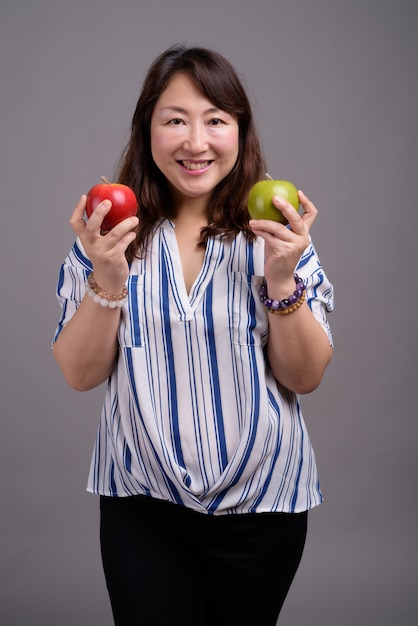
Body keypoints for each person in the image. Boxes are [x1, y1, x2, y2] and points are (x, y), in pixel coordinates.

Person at [52, 44, 334, 626]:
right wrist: (107, 278)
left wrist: (282, 278)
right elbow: (79, 375)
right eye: (175, 120)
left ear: (240, 132)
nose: (195, 142)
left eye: (215, 121)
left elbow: (304, 376)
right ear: (147, 129)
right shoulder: (109, 232)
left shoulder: (277, 231)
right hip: (141, 504)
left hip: (264, 504)